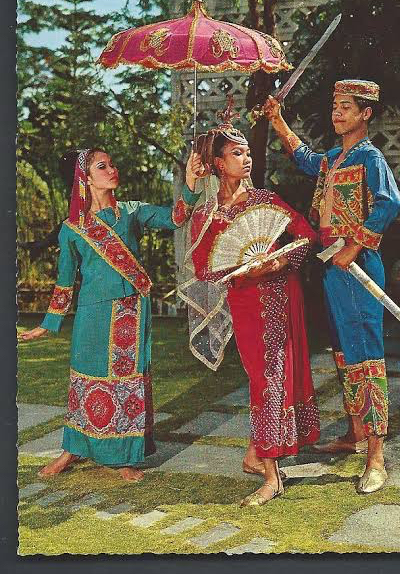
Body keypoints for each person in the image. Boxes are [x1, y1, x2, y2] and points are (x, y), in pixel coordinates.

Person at [20, 147, 203, 482]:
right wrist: (46, 325)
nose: (112, 169)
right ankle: (72, 450)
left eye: (112, 164)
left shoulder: (132, 212)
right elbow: (65, 281)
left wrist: (190, 180)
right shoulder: (72, 228)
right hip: (92, 314)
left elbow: (176, 217)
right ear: (86, 179)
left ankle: (122, 457)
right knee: (84, 379)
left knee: (125, 383)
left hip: (130, 312)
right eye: (102, 166)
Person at [263, 79, 400, 493]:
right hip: (332, 265)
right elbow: (305, 158)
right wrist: (277, 120)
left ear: (365, 113)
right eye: (335, 106)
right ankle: (355, 434)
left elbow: (389, 202)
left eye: (345, 107)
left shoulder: (370, 157)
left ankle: (376, 457)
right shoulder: (333, 159)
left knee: (365, 355)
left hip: (358, 265)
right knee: (343, 352)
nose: (337, 113)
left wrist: (355, 245)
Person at [183, 101, 320, 506]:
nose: (247, 159)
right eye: (237, 153)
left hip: (281, 296)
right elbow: (204, 268)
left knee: (273, 378)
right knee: (263, 379)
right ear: (217, 163)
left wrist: (278, 261)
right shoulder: (207, 217)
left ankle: (268, 470)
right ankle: (263, 460)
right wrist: (241, 269)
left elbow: (306, 235)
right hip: (245, 303)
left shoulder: (266, 199)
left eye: (248, 153)